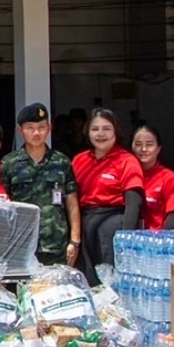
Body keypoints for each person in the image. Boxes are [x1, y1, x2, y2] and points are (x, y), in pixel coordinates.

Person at [2, 103, 81, 268]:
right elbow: (3, 206)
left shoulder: (61, 162)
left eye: (41, 127)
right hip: (21, 243)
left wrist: (75, 241)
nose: (36, 133)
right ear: (20, 130)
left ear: (49, 128)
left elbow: (72, 203)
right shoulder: (9, 164)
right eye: (30, 128)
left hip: (56, 244)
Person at [71, 109, 143, 286]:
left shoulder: (127, 160)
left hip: (112, 223)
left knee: (109, 281)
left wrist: (126, 239)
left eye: (106, 129)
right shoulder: (79, 160)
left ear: (116, 132)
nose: (100, 134)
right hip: (85, 222)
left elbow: (133, 202)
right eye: (95, 129)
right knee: (87, 279)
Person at [132, 124, 174, 230]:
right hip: (132, 239)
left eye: (149, 144)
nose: (143, 149)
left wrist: (161, 238)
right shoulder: (127, 174)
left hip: (157, 239)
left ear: (158, 149)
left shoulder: (168, 177)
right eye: (138, 144)